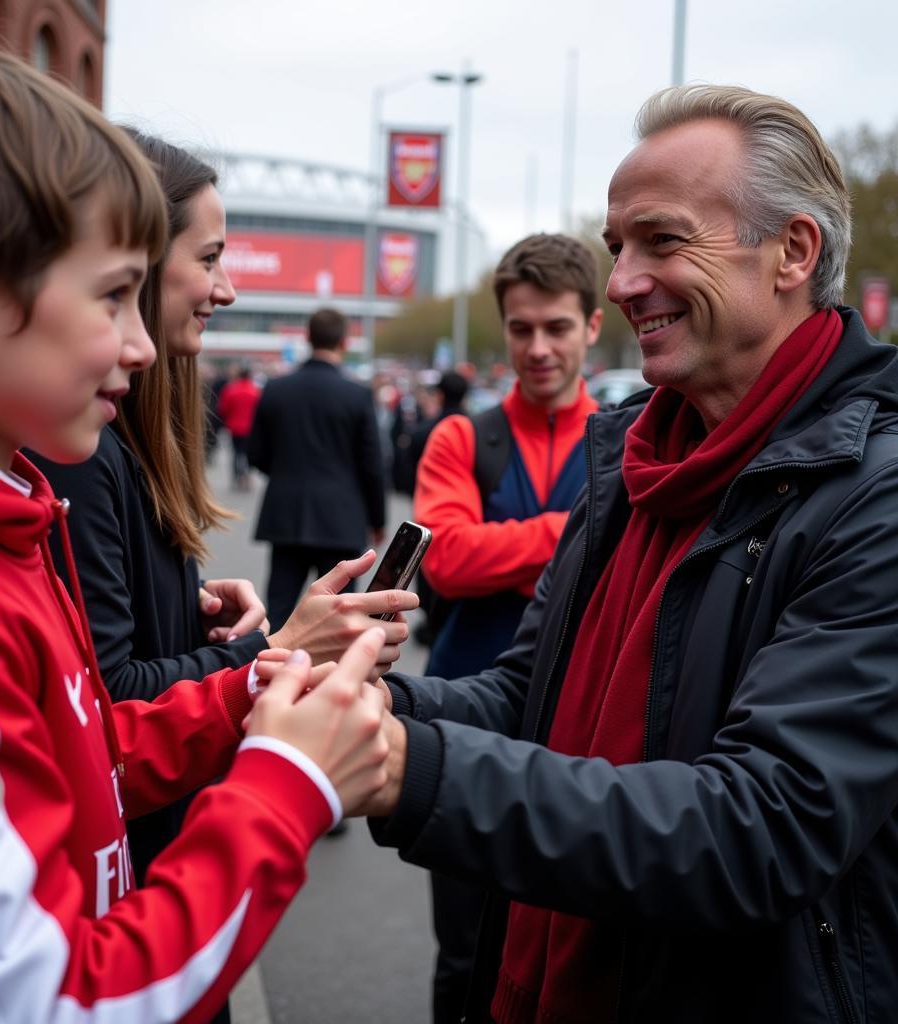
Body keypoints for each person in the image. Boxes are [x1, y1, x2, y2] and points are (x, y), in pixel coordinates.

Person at [0, 42, 394, 1022]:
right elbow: (44, 999)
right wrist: (284, 786)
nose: (143, 343)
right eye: (113, 295)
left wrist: (250, 687)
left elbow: (87, 747)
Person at [359, 84, 898, 1022]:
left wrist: (409, 768)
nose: (620, 284)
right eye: (617, 250)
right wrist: (367, 706)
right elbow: (529, 693)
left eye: (662, 240)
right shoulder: (632, 463)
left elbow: (761, 828)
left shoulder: (874, 497)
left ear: (793, 253)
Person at [29, 133, 416, 890]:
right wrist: (269, 651)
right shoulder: (79, 450)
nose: (228, 288)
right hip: (130, 865)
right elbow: (107, 709)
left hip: (149, 839)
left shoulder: (126, 443)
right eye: (208, 260)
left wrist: (184, 604)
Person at [412, 235, 600, 1022]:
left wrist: (506, 548)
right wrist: (579, 535)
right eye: (521, 329)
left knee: (573, 957)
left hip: (585, 730)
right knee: (463, 952)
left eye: (556, 327)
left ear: (593, 325)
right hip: (467, 719)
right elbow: (445, 562)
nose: (538, 348)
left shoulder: (628, 437)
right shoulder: (462, 437)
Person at [249, 307, 387, 630]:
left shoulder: (276, 389)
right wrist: (377, 520)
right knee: (339, 615)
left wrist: (285, 473)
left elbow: (256, 454)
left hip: (286, 514)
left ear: (308, 338)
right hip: (341, 518)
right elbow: (372, 465)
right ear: (345, 341)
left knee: (280, 612)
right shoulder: (358, 395)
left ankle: (273, 675)